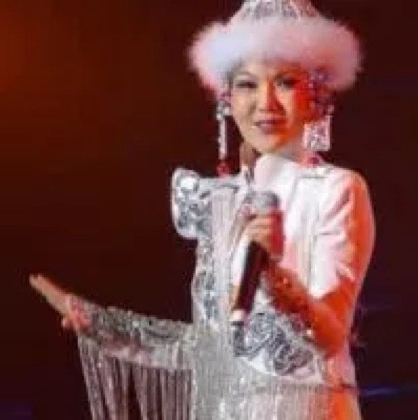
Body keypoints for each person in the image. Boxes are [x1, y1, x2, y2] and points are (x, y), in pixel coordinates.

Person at [30, 0, 375, 419]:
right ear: (226, 100)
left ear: (316, 97)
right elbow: (212, 352)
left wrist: (273, 278)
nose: (265, 102)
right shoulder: (219, 199)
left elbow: (330, 337)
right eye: (247, 85)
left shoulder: (336, 190)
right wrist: (105, 328)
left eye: (285, 82)